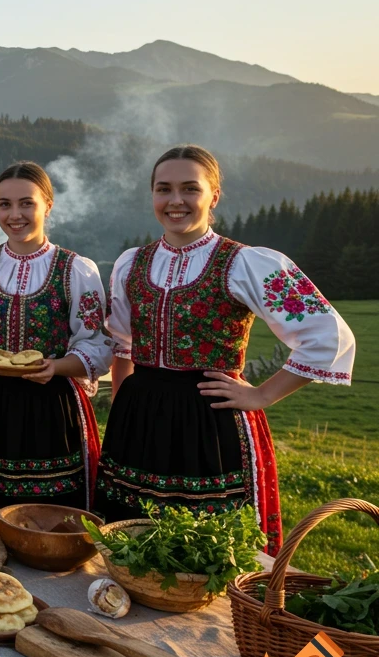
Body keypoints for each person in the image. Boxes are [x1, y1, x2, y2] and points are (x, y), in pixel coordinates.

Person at [100, 144, 356, 553]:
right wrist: (121, 402)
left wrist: (261, 394)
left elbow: (328, 336)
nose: (175, 201)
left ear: (213, 195)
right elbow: (122, 342)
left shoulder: (246, 263)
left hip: (211, 419)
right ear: (152, 195)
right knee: (128, 540)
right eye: (164, 189)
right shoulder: (132, 263)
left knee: (211, 550)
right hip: (138, 415)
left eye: (190, 189)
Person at [0, 162, 112, 520]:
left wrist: (56, 367)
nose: (15, 214)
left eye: (26, 203)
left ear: (48, 205)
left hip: (51, 408)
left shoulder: (77, 269)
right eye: (4, 204)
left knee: (50, 521)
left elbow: (98, 345)